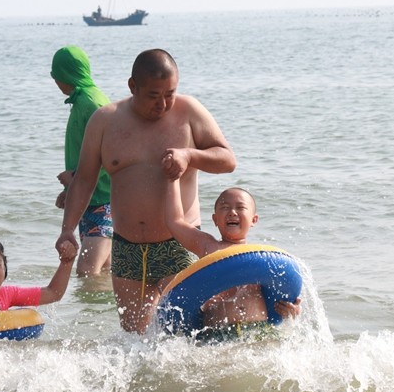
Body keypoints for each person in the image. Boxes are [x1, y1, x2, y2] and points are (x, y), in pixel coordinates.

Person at [55, 48, 236, 333]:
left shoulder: (189, 112)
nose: (163, 104)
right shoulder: (105, 121)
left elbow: (227, 160)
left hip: (178, 243)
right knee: (136, 342)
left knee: (187, 333)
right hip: (127, 248)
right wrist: (67, 230)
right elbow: (85, 180)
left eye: (170, 93)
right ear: (132, 86)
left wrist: (190, 155)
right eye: (153, 95)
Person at [164, 180, 301, 333]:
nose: (232, 212)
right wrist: (173, 180)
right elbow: (174, 221)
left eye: (240, 207)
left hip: (258, 332)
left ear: (254, 220)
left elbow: (283, 294)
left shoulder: (260, 258)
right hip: (216, 335)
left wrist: (292, 310)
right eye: (225, 207)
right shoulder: (208, 246)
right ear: (215, 219)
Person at [50, 45, 113, 276]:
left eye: (56, 75)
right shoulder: (79, 102)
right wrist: (71, 190)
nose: (55, 81)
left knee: (87, 271)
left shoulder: (92, 104)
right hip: (89, 200)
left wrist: (74, 178)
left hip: (104, 201)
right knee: (104, 272)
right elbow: (87, 155)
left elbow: (111, 158)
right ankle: (104, 314)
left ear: (65, 74)